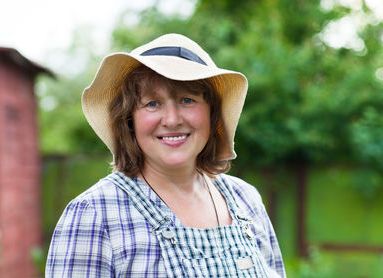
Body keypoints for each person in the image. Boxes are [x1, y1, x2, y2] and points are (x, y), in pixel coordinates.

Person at [46, 34, 286, 277]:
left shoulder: (245, 200)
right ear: (130, 120)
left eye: (187, 100)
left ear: (212, 114)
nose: (172, 120)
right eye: (152, 103)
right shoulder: (95, 213)